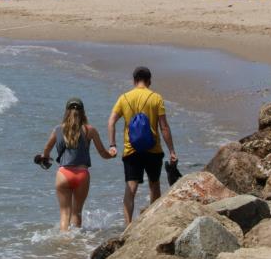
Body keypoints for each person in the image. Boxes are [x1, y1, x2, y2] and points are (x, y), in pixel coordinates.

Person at [107, 67, 177, 225]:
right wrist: (171, 150)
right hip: (153, 150)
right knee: (154, 185)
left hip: (131, 150)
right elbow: (164, 127)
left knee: (130, 188)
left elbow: (111, 121)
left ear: (134, 80)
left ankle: (127, 226)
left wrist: (112, 145)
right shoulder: (156, 98)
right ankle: (153, 223)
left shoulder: (124, 98)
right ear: (149, 81)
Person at [39, 98, 114, 231]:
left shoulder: (57, 130)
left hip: (63, 175)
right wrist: (112, 153)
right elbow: (103, 153)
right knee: (76, 213)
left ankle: (65, 242)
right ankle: (78, 243)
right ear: (83, 112)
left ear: (67, 112)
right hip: (82, 175)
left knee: (64, 213)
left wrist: (45, 158)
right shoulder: (89, 130)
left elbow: (46, 150)